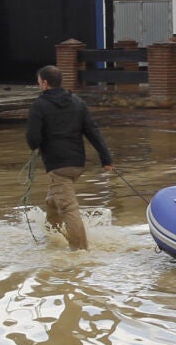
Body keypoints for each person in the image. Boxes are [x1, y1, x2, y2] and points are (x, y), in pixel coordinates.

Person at [25, 64, 113, 250]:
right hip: (77, 165)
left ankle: (80, 253)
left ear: (45, 83)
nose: (39, 84)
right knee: (53, 200)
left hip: (58, 166)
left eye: (39, 81)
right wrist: (106, 159)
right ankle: (53, 235)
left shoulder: (39, 105)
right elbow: (93, 131)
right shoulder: (77, 102)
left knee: (68, 209)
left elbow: (33, 139)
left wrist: (37, 144)